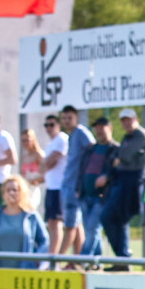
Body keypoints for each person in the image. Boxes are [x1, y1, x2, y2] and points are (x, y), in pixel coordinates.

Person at [99, 107, 145, 265]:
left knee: (113, 217)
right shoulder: (127, 137)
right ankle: (122, 258)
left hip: (132, 181)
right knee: (113, 219)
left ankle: (123, 257)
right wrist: (118, 158)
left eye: (129, 119)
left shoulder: (141, 135)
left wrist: (119, 158)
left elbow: (123, 155)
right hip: (121, 180)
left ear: (135, 119)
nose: (126, 123)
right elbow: (115, 158)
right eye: (123, 120)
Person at [0, 176, 48, 269]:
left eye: (15, 190)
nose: (11, 193)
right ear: (3, 194)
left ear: (21, 192)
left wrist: (36, 259)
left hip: (24, 273)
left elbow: (44, 240)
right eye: (8, 190)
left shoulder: (31, 216)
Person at [58, 106, 94, 256]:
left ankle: (57, 259)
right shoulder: (71, 135)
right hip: (68, 185)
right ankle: (77, 259)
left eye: (70, 118)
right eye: (64, 118)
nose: (67, 121)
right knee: (77, 225)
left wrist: (85, 178)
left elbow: (93, 149)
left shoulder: (81, 132)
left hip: (75, 187)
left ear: (76, 118)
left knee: (70, 226)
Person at [77, 118, 116, 259]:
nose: (99, 131)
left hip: (102, 197)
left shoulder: (115, 149)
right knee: (90, 230)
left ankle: (83, 259)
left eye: (102, 128)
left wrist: (106, 177)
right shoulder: (90, 149)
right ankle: (96, 261)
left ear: (109, 128)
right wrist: (78, 188)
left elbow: (117, 171)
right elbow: (81, 169)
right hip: (85, 195)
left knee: (93, 227)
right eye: (97, 128)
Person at [39, 114, 69, 255]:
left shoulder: (61, 139)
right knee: (51, 222)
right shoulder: (50, 143)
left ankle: (54, 256)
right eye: (46, 125)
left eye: (52, 124)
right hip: (51, 187)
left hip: (60, 187)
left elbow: (50, 162)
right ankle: (53, 254)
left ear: (58, 125)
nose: (48, 128)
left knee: (56, 222)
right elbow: (43, 166)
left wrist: (44, 164)